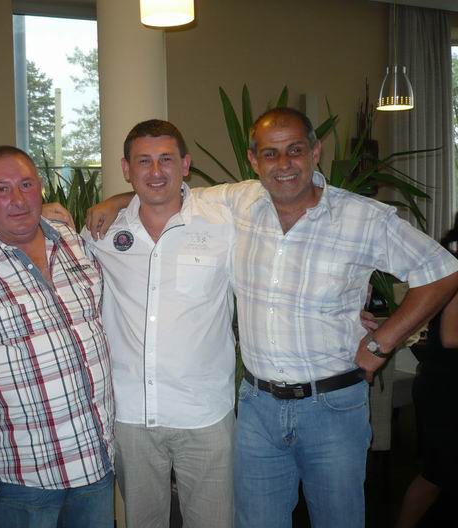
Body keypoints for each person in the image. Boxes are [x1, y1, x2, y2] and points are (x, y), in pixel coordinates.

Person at [87, 108, 458, 527]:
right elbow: (162, 191)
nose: (283, 164)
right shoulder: (238, 203)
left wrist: (382, 341)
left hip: (332, 407)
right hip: (258, 408)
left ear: (315, 152)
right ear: (254, 160)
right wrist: (115, 201)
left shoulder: (362, 217)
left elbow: (442, 271)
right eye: (270, 153)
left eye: (295, 150)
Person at [0, 146, 114, 528]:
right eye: (1, 189)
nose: (17, 199)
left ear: (40, 188)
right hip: (24, 477)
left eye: (26, 185)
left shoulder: (72, 241)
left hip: (96, 462)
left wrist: (117, 200)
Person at [82, 120, 236, 527]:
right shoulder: (100, 232)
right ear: (126, 169)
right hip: (132, 414)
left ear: (185, 164)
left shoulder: (223, 224)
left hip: (204, 414)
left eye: (166, 160)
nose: (155, 171)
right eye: (143, 161)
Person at [396, 214, 458, 527]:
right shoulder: (455, 270)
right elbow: (451, 337)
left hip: (444, 382)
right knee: (437, 475)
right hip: (447, 389)